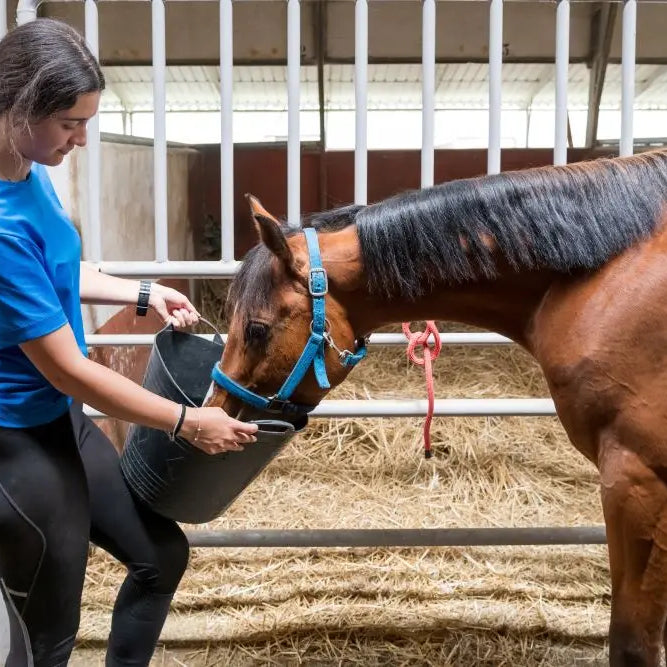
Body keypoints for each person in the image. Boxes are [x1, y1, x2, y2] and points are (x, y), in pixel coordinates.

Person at [0, 17, 258, 667]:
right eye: (69, 122)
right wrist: (185, 421)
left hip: (61, 423)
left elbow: (58, 268)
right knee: (46, 640)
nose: (82, 138)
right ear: (18, 106)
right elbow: (70, 371)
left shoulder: (26, 168)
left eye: (86, 120)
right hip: (17, 443)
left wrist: (141, 293)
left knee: (159, 555)